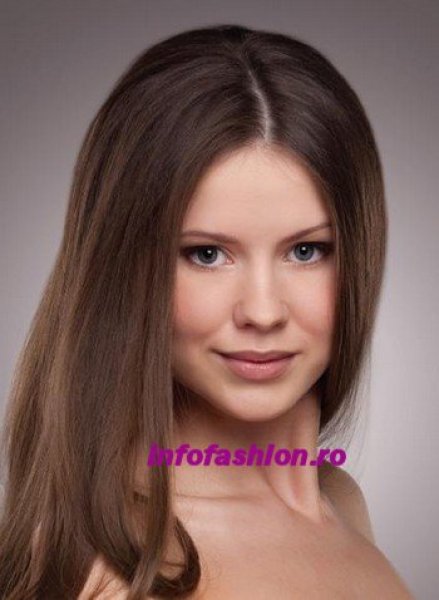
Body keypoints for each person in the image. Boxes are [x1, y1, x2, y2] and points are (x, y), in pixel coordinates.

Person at [0, 24, 414, 599]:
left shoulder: (340, 500)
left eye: (306, 251)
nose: (263, 312)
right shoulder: (116, 571)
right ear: (126, 270)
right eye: (207, 254)